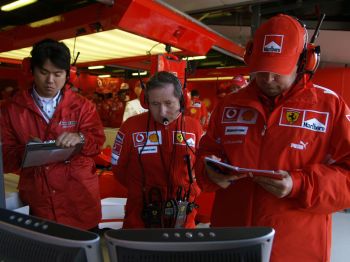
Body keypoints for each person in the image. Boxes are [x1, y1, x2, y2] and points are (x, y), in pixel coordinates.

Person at [195, 14, 350, 262]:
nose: (267, 80)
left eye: (278, 72)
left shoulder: (330, 107)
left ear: (304, 61)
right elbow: (205, 154)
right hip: (231, 243)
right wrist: (209, 171)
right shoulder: (229, 105)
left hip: (295, 248)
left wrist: (298, 185)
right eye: (261, 70)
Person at [0, 39, 105, 230]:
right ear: (31, 71)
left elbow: (97, 141)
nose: (50, 81)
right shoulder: (11, 110)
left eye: (58, 74)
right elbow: (4, 158)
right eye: (44, 72)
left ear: (68, 75)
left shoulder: (83, 106)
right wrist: (28, 151)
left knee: (83, 253)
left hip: (79, 197)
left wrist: (80, 138)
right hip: (39, 200)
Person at [111, 71, 203, 228]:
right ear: (146, 102)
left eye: (168, 103)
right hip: (140, 219)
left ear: (181, 101)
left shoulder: (194, 126)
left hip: (182, 218)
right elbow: (118, 169)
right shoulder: (130, 127)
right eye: (155, 104)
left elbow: (201, 168)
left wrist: (191, 190)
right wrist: (142, 191)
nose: (162, 112)